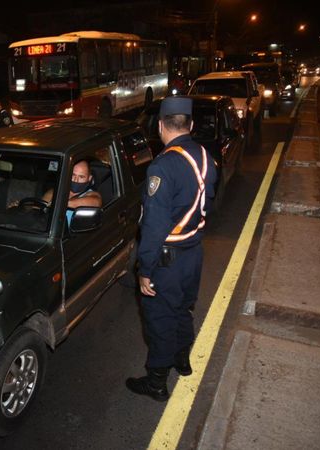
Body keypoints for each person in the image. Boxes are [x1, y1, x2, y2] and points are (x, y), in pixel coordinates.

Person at [126, 96, 217, 401]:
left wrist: (144, 269)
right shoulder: (205, 156)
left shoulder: (163, 166)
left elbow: (153, 227)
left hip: (167, 260)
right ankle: (183, 360)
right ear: (189, 125)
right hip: (193, 253)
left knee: (160, 320)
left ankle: (156, 382)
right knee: (183, 310)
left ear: (161, 126)